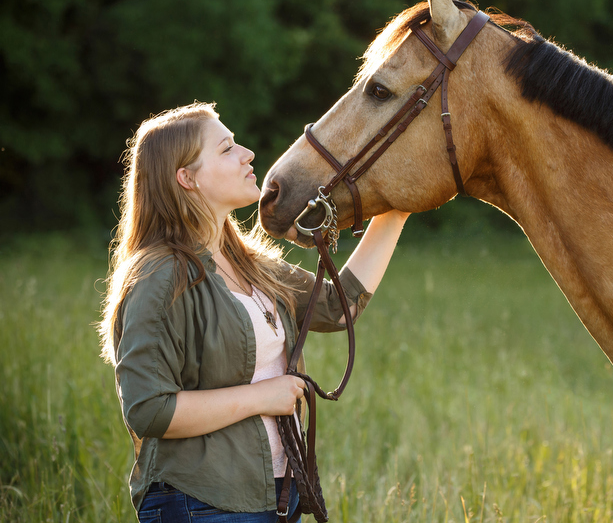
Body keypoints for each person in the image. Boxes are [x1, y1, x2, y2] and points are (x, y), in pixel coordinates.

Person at [98, 102, 409, 522]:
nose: (248, 154)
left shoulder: (247, 262)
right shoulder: (157, 277)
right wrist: (261, 397)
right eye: (227, 149)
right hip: (201, 502)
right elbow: (149, 409)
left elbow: (339, 307)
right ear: (186, 178)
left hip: (279, 495)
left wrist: (397, 207)